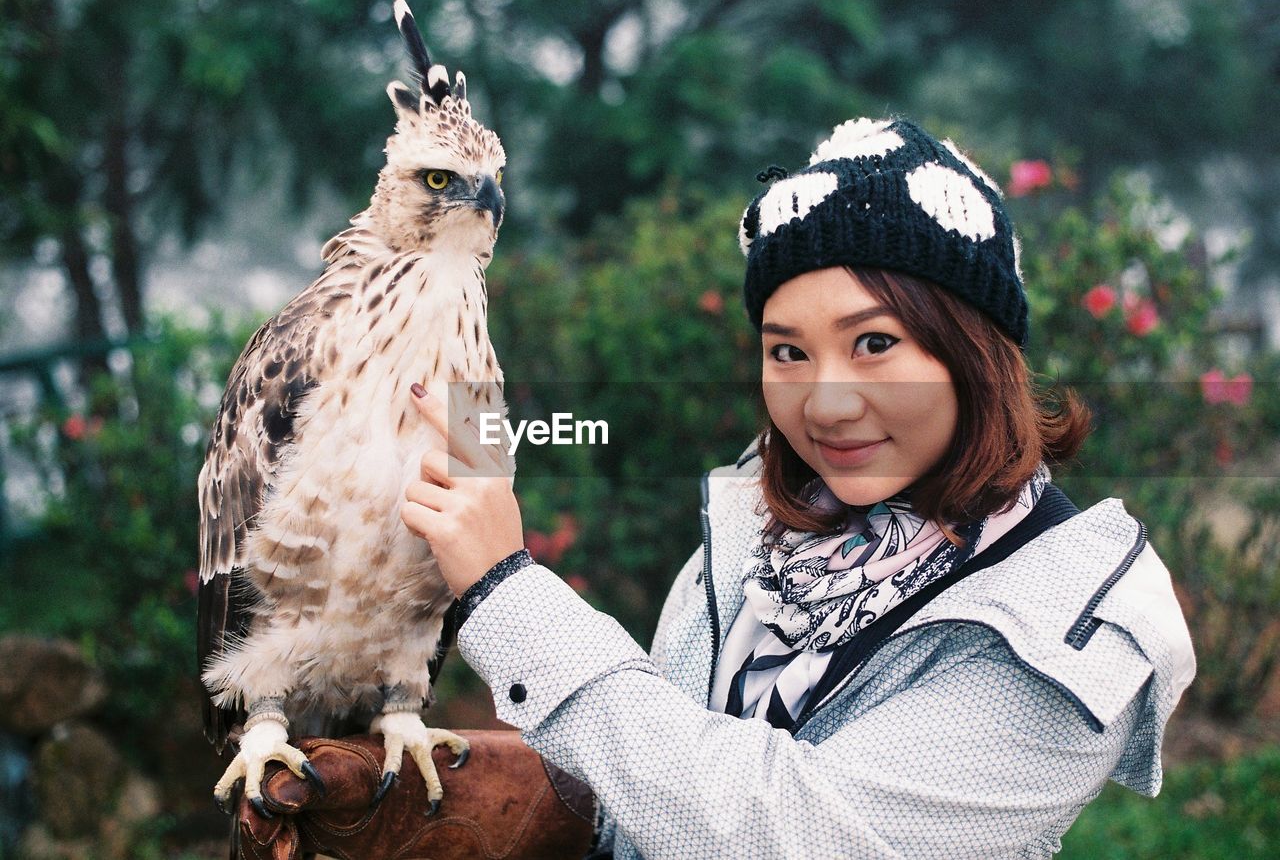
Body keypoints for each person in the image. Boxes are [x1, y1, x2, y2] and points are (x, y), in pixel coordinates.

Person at [238, 117, 1196, 858]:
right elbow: (670, 777)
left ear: (975, 352)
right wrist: (536, 804)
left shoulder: (1068, 629)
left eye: (875, 343)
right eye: (787, 350)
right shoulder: (755, 538)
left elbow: (789, 832)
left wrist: (506, 590)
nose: (826, 402)